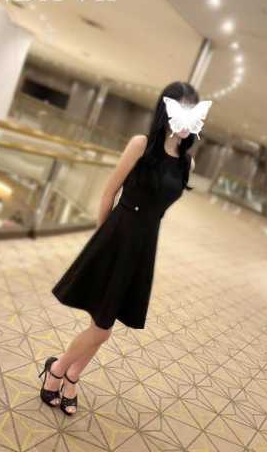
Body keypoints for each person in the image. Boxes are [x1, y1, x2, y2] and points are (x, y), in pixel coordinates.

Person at [39, 81, 202, 415]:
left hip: (144, 245)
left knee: (105, 324)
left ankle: (71, 375)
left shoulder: (187, 164)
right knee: (102, 328)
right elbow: (108, 193)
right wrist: (101, 240)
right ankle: (58, 370)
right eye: (182, 109)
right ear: (166, 110)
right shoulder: (141, 145)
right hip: (117, 235)